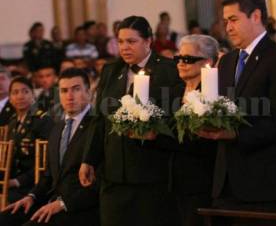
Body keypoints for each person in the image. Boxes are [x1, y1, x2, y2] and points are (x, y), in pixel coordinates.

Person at [199, 0, 276, 225]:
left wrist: (235, 133)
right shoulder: (228, 61)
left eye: (234, 19)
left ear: (256, 16)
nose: (228, 27)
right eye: (225, 21)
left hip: (265, 185)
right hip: (226, 186)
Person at [79, 15, 182, 226]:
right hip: (113, 173)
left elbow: (174, 120)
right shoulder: (111, 70)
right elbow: (99, 119)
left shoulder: (168, 70)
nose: (124, 47)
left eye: (131, 41)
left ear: (148, 41)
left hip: (151, 174)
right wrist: (88, 159)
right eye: (120, 42)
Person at [0, 68, 100, 226]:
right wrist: (31, 197)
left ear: (89, 92)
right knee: (4, 218)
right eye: (64, 90)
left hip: (79, 208)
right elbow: (48, 175)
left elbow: (101, 180)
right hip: (50, 201)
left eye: (76, 89)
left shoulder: (99, 126)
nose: (69, 96)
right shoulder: (58, 127)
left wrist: (62, 204)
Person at [172, 35, 218, 226]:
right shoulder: (173, 91)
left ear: (207, 62)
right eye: (179, 58)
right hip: (173, 183)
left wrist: (157, 135)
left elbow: (204, 140)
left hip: (201, 182)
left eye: (188, 59)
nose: (181, 63)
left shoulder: (213, 93)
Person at [5, 77, 53, 204]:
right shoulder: (12, 122)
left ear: (33, 95)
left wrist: (17, 181)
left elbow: (46, 163)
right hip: (10, 180)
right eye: (15, 92)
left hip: (32, 184)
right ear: (9, 98)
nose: (20, 96)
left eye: (25, 91)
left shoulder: (43, 120)